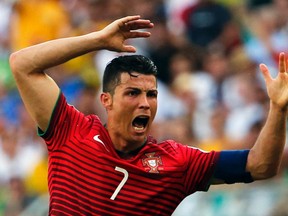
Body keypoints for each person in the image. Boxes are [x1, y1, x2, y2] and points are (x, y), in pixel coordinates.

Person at [9, 15, 288, 216]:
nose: (145, 103)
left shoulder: (176, 163)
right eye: (132, 93)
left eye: (151, 94)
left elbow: (260, 165)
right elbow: (22, 64)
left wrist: (277, 109)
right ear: (106, 100)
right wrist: (98, 40)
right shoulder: (70, 130)